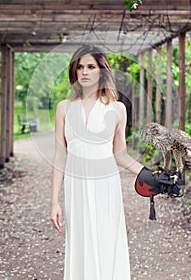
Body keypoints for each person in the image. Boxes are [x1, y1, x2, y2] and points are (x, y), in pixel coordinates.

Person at [50, 45, 144, 280]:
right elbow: (60, 156)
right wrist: (54, 202)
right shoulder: (64, 108)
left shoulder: (117, 108)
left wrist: (147, 173)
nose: (84, 72)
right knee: (80, 243)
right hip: (76, 187)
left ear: (102, 71)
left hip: (106, 186)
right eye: (80, 67)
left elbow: (120, 154)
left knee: (105, 241)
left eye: (91, 66)